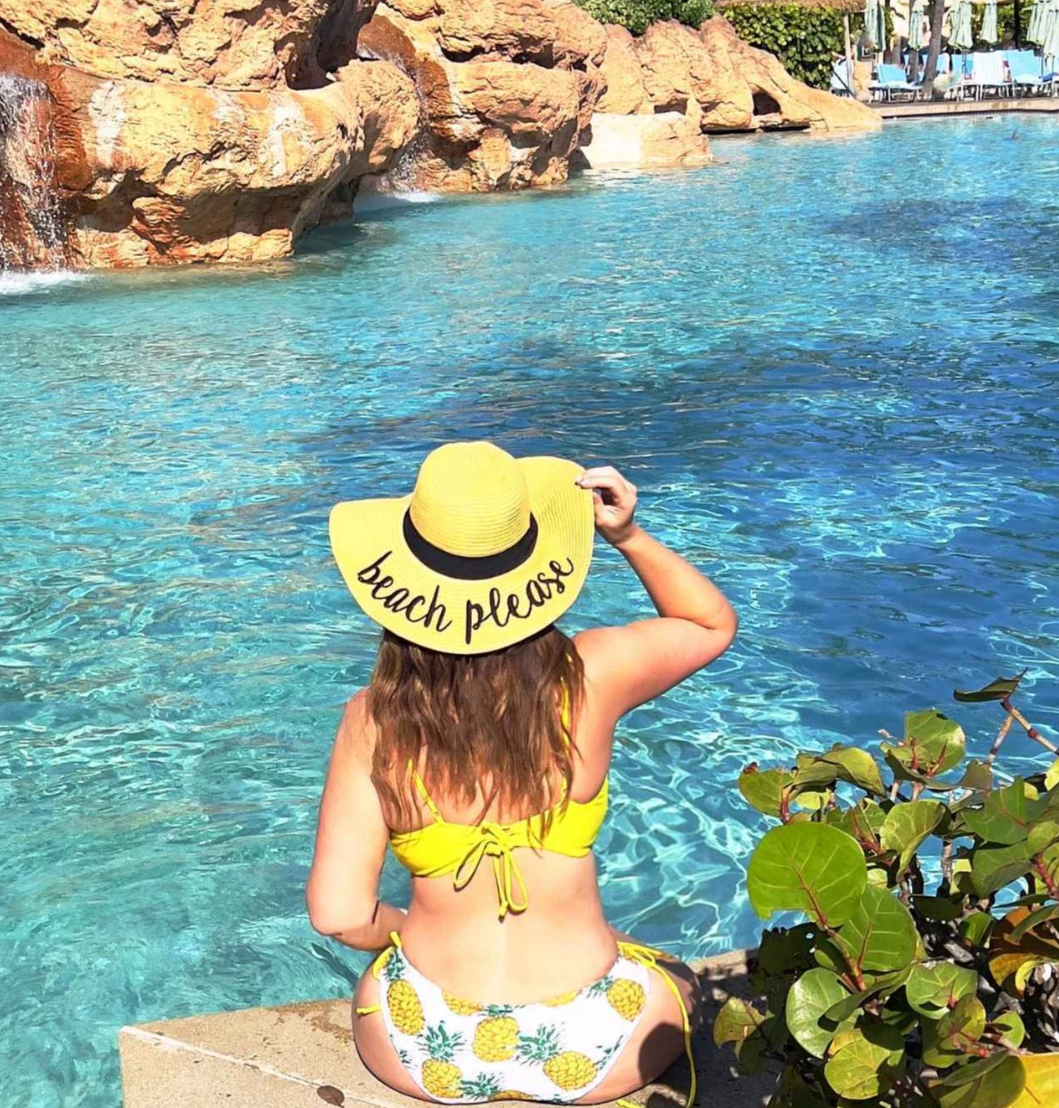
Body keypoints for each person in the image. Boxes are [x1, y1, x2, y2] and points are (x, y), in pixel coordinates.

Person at [307, 441, 738, 1105]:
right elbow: (708, 624)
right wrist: (628, 535)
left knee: (382, 980)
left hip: (423, 1045)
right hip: (602, 1038)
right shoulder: (593, 675)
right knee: (676, 977)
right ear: (536, 576)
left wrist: (408, 928)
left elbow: (339, 915)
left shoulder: (372, 721)